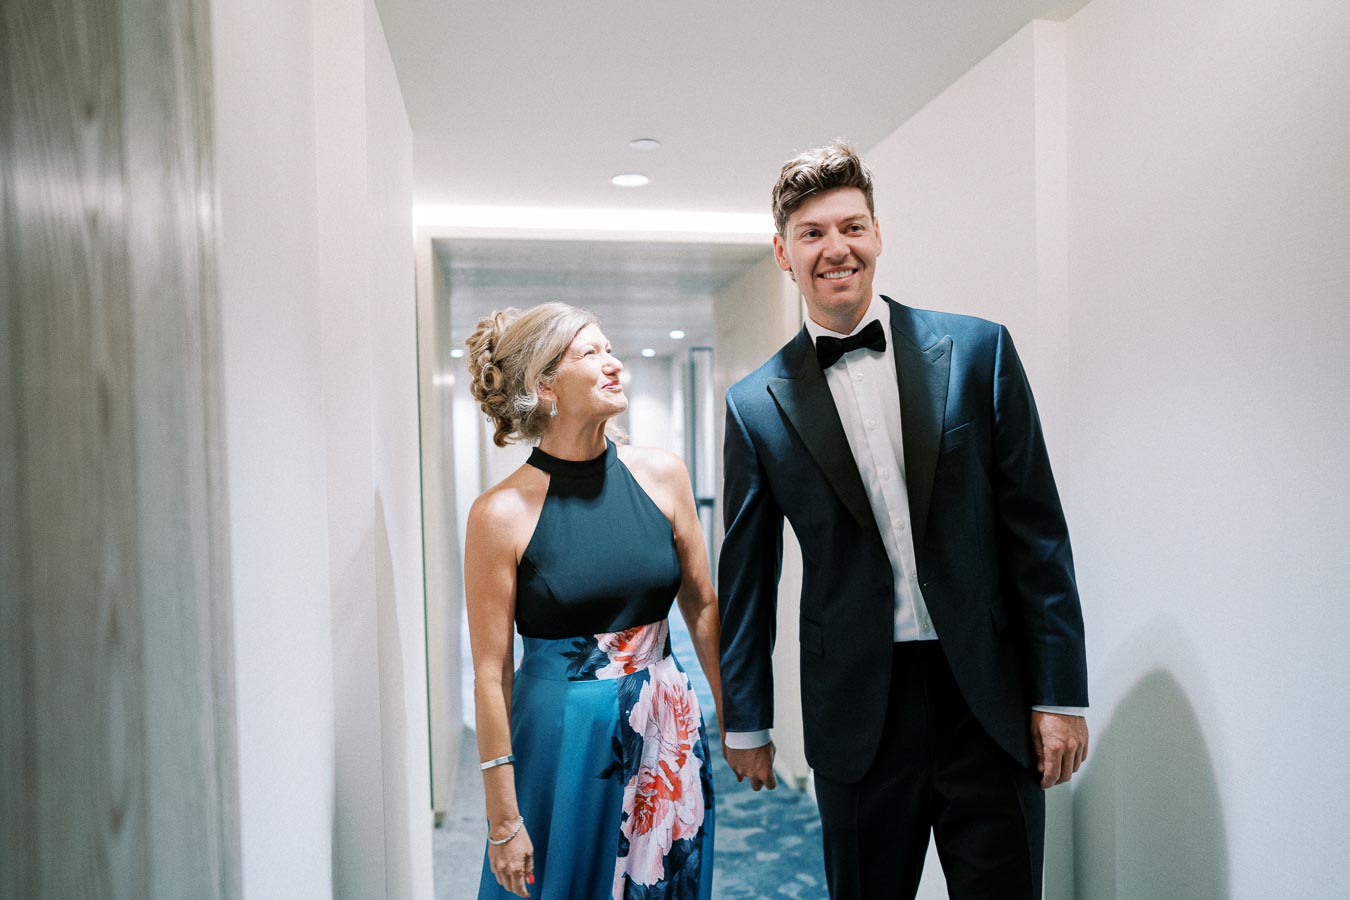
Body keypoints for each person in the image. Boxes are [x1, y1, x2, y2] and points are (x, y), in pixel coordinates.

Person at [717, 141, 1089, 899]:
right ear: (784, 253)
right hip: (857, 712)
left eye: (851, 227)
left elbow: (1037, 534)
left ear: (878, 234)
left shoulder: (979, 351)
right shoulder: (756, 404)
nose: (835, 249)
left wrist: (1059, 693)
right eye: (813, 233)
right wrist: (748, 723)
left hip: (986, 698)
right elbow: (748, 575)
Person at [464, 302, 721, 900]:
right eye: (591, 354)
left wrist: (736, 718)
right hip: (562, 739)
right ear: (544, 383)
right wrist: (502, 815)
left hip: (669, 726)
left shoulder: (662, 475)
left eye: (610, 350)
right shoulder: (499, 514)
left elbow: (703, 605)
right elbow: (489, 672)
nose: (614, 366)